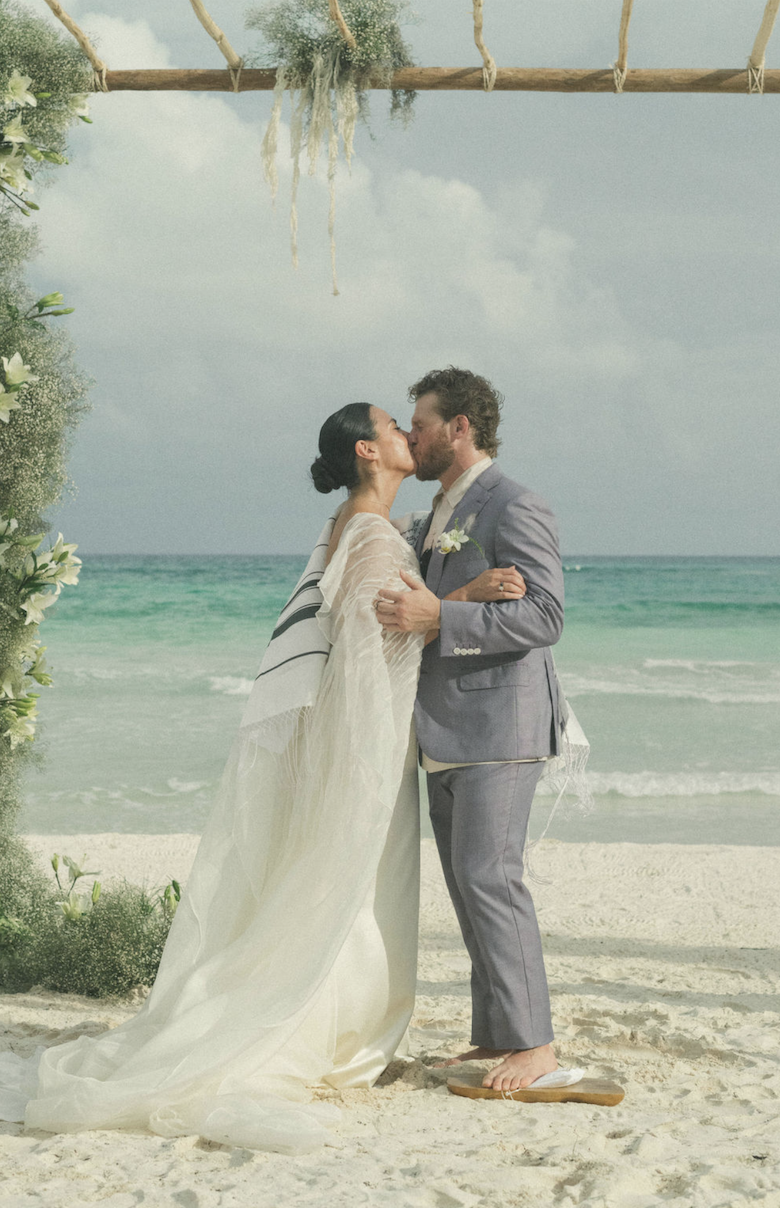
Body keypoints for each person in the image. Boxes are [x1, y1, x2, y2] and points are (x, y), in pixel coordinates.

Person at [0, 404, 428, 1153]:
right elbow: (362, 656)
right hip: (366, 740)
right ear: (369, 449)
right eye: (395, 425)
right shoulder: (371, 533)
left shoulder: (345, 526)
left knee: (332, 886)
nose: (407, 436)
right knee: (350, 888)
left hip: (347, 738)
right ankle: (338, 1037)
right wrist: (368, 753)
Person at [375, 367, 574, 1096]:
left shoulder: (513, 504)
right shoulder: (433, 519)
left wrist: (443, 617)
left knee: (494, 878)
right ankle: (495, 1036)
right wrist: (445, 604)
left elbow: (545, 617)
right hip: (444, 729)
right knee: (468, 884)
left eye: (421, 423)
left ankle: (536, 1045)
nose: (412, 435)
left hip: (501, 723)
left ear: (460, 427)